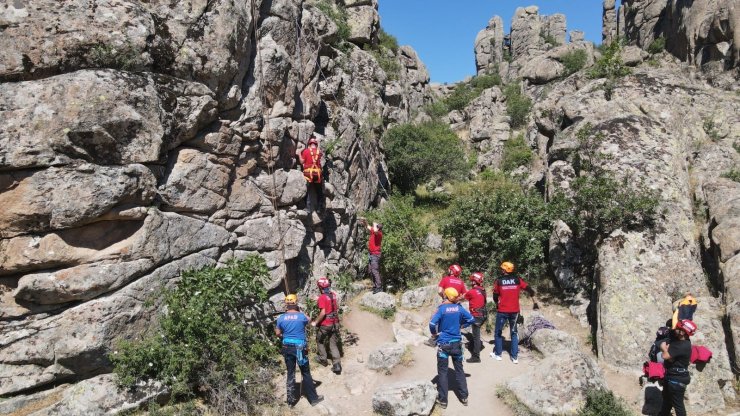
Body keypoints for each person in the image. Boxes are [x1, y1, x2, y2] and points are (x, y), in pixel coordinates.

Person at [429, 287, 476, 409]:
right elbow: (471, 319)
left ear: (446, 296)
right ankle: (464, 397)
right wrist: (462, 325)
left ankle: (443, 401)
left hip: (444, 344)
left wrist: (434, 334)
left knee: (443, 372)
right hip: (456, 344)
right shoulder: (459, 308)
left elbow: (432, 323)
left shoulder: (442, 309)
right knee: (459, 370)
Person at [275, 294, 324, 407]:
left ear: (286, 304)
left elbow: (277, 333)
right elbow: (309, 320)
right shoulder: (301, 316)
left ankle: (291, 402)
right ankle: (313, 399)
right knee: (305, 372)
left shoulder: (281, 318)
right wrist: (299, 310)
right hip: (300, 348)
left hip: (287, 347)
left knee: (290, 373)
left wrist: (285, 336)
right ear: (296, 303)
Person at [491, 261, 537, 364]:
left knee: (498, 332)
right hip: (515, 311)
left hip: (502, 310)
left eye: (502, 268)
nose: (501, 270)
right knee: (514, 332)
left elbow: (495, 296)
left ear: (505, 270)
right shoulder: (517, 280)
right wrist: (534, 301)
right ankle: (514, 357)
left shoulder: (499, 281)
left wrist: (496, 304)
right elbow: (529, 289)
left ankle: (498, 354)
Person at [659, 319, 697, 416]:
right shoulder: (681, 340)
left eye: (678, 328)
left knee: (678, 406)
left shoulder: (683, 345)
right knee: (667, 401)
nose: (675, 328)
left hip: (676, 380)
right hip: (673, 376)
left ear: (682, 332)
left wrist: (663, 347)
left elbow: (665, 356)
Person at [311, 276, 342, 374]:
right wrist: (318, 299)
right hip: (335, 323)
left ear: (320, 287)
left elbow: (323, 312)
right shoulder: (333, 295)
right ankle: (337, 364)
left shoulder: (322, 297)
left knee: (319, 340)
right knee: (333, 343)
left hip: (326, 324)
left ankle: (323, 359)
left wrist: (315, 322)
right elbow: (332, 305)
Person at [297, 136, 324, 218]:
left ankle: (308, 208)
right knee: (319, 191)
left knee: (307, 191)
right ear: (316, 145)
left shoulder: (306, 151)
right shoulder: (319, 152)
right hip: (317, 174)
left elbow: (302, 162)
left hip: (308, 173)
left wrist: (299, 153)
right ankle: (319, 208)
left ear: (309, 145)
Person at [463, 271, 487, 363]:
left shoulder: (472, 292)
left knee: (476, 336)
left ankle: (476, 356)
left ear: (474, 281)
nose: (471, 282)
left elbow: (462, 297)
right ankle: (473, 346)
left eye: (472, 281)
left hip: (477, 316)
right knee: (475, 334)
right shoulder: (483, 290)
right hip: (483, 315)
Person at [359, 218, 383, 293]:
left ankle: (379, 287)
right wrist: (365, 221)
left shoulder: (379, 234)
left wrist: (375, 224)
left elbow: (375, 230)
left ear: (378, 228)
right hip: (372, 254)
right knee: (371, 271)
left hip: (375, 255)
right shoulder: (374, 231)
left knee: (374, 270)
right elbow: (368, 226)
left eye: (376, 226)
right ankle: (375, 286)